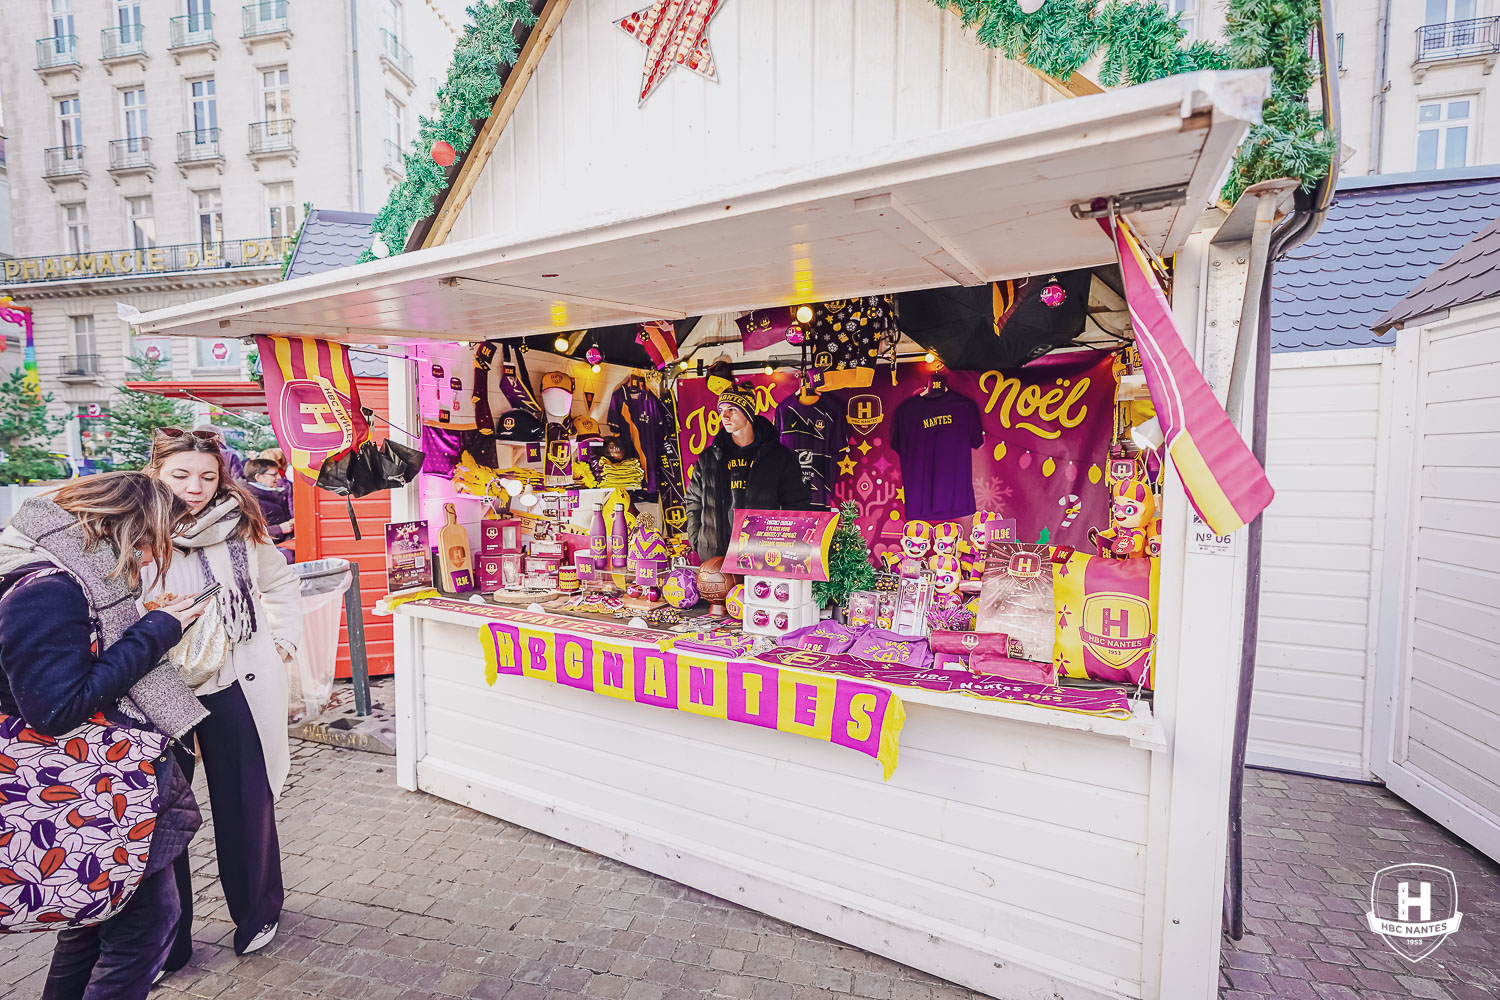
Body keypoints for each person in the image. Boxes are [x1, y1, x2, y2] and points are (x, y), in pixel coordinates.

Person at [0, 473, 208, 999]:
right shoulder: (49, 590)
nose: (144, 556)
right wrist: (157, 630)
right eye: (144, 541)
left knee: (95, 924)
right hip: (82, 785)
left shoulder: (67, 579)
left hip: (92, 784)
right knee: (145, 926)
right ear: (119, 526)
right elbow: (55, 708)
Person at [144, 427, 302, 971]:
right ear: (156, 472)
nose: (196, 487)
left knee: (246, 799)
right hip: (159, 687)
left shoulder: (242, 525)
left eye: (208, 476)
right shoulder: (135, 527)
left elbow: (281, 583)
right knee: (166, 814)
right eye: (181, 475)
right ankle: (168, 938)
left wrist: (281, 641)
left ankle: (258, 911)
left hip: (232, 677)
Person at [685, 382, 811, 560]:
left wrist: (782, 547)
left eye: (732, 409)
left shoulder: (780, 457)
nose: (725, 416)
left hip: (761, 558)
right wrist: (696, 540)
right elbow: (693, 499)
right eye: (721, 410)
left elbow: (797, 505)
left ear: (748, 412)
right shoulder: (708, 458)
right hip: (715, 556)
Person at [244, 457, 295, 559]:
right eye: (274, 474)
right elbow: (248, 533)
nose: (279, 477)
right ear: (258, 477)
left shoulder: (271, 493)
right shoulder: (247, 501)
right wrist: (279, 529)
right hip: (268, 552)